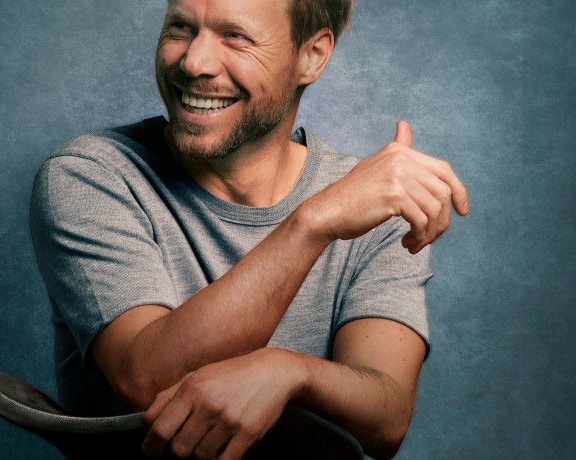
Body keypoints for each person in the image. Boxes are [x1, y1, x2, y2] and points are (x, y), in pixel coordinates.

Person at [30, 0, 468, 458]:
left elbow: (386, 421)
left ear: (311, 56)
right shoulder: (90, 175)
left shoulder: (374, 202)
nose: (194, 62)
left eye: (234, 36)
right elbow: (147, 381)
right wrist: (313, 223)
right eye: (181, 28)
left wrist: (288, 371)